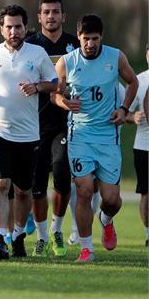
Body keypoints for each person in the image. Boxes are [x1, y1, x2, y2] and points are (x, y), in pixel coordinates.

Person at [54, 14, 138, 262]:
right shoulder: (67, 62)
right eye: (85, 39)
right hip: (79, 135)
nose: (90, 44)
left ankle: (106, 219)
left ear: (101, 37)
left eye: (95, 38)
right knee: (84, 190)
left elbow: (132, 82)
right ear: (78, 37)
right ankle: (86, 248)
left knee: (111, 200)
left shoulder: (116, 57)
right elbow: (55, 95)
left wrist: (123, 109)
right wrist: (65, 102)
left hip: (108, 136)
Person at [0, 4, 57, 260]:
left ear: (25, 27)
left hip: (29, 133)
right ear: (2, 29)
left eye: (18, 26)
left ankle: (18, 235)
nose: (13, 31)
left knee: (23, 191)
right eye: (8, 26)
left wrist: (37, 87)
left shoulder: (38, 53)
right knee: (1, 184)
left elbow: (53, 82)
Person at [24, 0, 79, 257]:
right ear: (39, 17)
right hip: (32, 125)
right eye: (46, 12)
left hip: (64, 124)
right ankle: (42, 236)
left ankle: (57, 229)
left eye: (56, 12)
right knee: (36, 186)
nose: (51, 16)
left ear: (63, 16)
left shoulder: (75, 45)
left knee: (61, 173)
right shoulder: (30, 45)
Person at [126, 44, 149, 247]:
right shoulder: (138, 80)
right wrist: (133, 116)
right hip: (144, 145)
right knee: (146, 193)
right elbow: (122, 113)